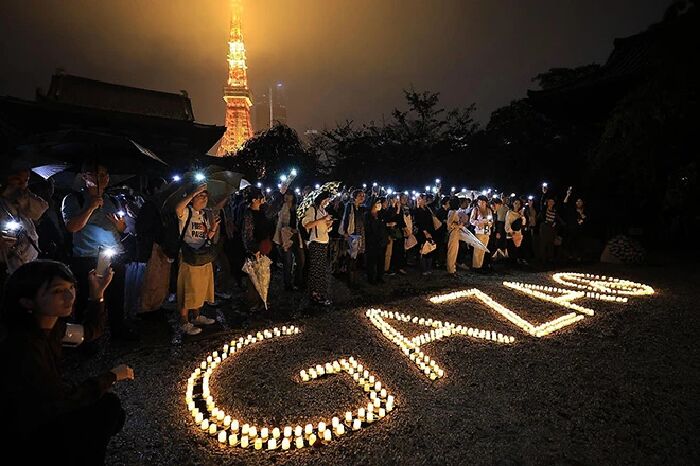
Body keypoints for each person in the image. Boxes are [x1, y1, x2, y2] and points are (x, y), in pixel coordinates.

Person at [0, 260, 134, 464]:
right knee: (107, 408)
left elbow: (90, 332)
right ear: (27, 301)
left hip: (47, 409)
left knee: (111, 411)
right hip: (28, 428)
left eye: (71, 287)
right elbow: (62, 398)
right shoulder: (23, 346)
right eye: (57, 291)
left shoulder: (53, 328)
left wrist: (97, 294)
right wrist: (112, 376)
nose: (70, 296)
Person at [61, 161, 137, 341]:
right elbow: (72, 227)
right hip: (88, 257)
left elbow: (120, 227)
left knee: (116, 296)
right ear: (85, 177)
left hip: (114, 254)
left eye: (104, 175)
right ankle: (86, 337)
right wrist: (90, 207)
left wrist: (120, 226)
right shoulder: (73, 199)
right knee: (87, 299)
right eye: (95, 174)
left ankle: (118, 331)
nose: (101, 178)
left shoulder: (112, 200)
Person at [174, 183, 220, 335]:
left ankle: (196, 316)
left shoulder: (204, 214)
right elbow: (177, 209)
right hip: (189, 256)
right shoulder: (187, 212)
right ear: (193, 198)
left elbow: (207, 237)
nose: (204, 198)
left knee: (199, 288)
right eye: (201, 195)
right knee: (188, 289)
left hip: (202, 255)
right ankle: (184, 321)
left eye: (205, 196)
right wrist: (193, 193)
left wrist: (213, 228)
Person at [0, 163, 49, 281]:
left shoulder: (25, 196)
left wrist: (23, 198)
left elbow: (41, 209)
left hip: (28, 261)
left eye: (26, 180)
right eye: (17, 180)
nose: (22, 184)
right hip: (5, 265)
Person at [302, 191, 333, 305]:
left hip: (324, 241)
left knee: (321, 269)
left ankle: (319, 292)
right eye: (326, 199)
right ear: (321, 199)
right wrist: (322, 220)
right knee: (316, 269)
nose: (327, 202)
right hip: (316, 242)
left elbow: (324, 227)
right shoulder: (312, 210)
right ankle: (314, 294)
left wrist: (328, 225)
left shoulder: (323, 211)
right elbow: (307, 224)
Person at [273, 191, 304, 291]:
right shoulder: (282, 207)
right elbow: (280, 221)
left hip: (296, 236)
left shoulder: (297, 206)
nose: (288, 197)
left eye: (290, 195)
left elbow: (300, 221)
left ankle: (298, 281)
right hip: (285, 236)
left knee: (301, 260)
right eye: (286, 195)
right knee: (288, 261)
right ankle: (288, 284)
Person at [364, 198, 388, 284]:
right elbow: (368, 229)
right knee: (371, 261)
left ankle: (380, 277)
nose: (379, 204)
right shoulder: (367, 215)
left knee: (381, 260)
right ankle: (371, 278)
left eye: (379, 203)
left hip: (382, 241)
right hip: (372, 242)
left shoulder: (381, 214)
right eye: (377, 203)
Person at [413, 194, 436, 275]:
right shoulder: (417, 210)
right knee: (423, 249)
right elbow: (418, 222)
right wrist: (425, 232)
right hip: (422, 233)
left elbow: (430, 221)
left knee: (430, 249)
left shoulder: (427, 209)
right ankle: (423, 269)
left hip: (430, 232)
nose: (425, 200)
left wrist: (431, 232)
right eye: (424, 199)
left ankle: (429, 268)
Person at [469, 195, 494, 271]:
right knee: (477, 248)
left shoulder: (488, 210)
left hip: (486, 230)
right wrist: (478, 223)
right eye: (480, 201)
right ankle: (476, 266)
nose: (482, 203)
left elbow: (491, 221)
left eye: (484, 202)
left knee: (483, 248)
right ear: (478, 202)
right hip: (479, 231)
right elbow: (471, 220)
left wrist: (488, 223)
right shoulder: (475, 210)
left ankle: (480, 265)